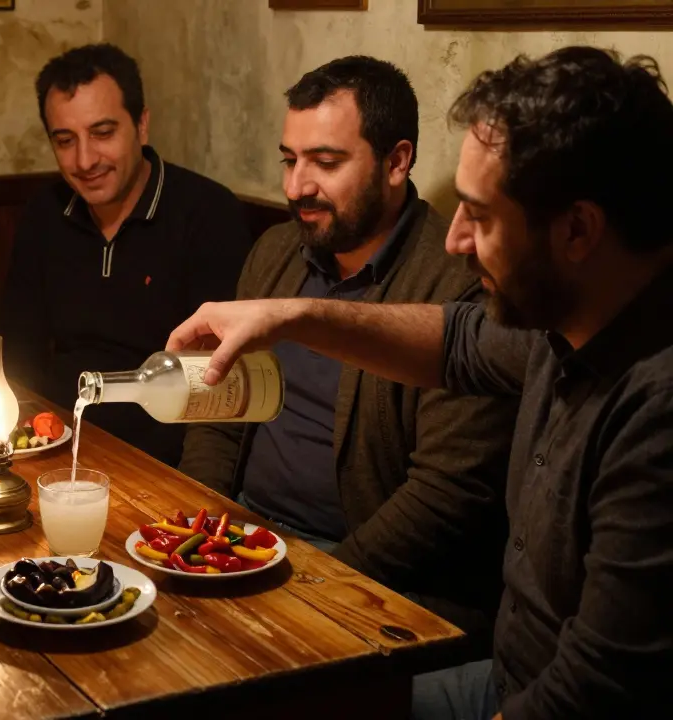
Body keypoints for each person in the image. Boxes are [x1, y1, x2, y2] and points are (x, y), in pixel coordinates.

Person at [167, 46, 673, 720]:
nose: (457, 239)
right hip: (509, 679)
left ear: (578, 230)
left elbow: (597, 690)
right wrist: (289, 315)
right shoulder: (569, 315)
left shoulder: (655, 406)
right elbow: (456, 343)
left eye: (482, 217)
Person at [179, 56, 513, 642]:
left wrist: (317, 587)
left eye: (325, 163)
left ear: (397, 161)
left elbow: (447, 492)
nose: (295, 186)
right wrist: (198, 531)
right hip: (242, 539)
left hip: (370, 576)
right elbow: (217, 409)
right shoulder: (277, 252)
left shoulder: (455, 279)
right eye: (289, 160)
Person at [0, 43, 250, 467]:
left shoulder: (207, 214)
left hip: (163, 460)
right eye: (65, 140)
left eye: (103, 133)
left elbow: (217, 386)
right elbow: (16, 354)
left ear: (142, 125)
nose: (84, 160)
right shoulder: (45, 213)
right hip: (57, 448)